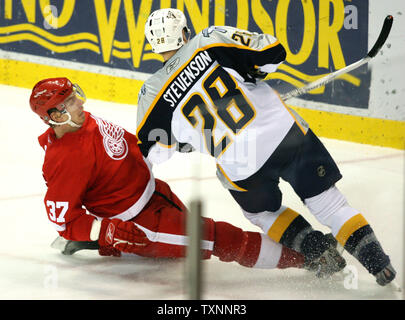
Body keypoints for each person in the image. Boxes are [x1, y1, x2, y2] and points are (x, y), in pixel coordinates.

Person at [137, 8, 396, 286]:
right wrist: (252, 73)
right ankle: (379, 264)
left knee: (260, 213)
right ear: (185, 32)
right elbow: (273, 52)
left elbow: (154, 152)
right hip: (285, 134)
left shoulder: (151, 93)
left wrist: (188, 140)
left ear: (154, 47)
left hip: (242, 165)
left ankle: (318, 252)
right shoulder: (209, 39)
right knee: (328, 203)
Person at [29, 76, 335, 276]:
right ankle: (309, 259)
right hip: (140, 222)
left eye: (75, 96)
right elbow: (62, 220)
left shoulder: (81, 122)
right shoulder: (65, 158)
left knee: (186, 246)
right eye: (69, 102)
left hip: (155, 194)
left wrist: (173, 137)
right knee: (216, 238)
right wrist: (105, 231)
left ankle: (106, 245)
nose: (80, 103)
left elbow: (126, 147)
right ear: (54, 116)